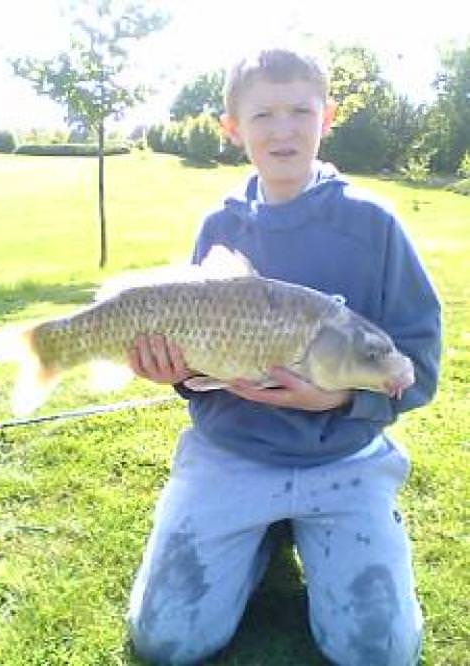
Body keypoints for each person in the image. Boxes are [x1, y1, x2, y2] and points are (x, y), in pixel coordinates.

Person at [126, 46, 441, 665]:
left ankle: (310, 529)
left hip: (342, 458)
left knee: (378, 654)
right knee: (166, 643)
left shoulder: (374, 225)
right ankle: (259, 539)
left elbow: (418, 365)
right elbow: (198, 365)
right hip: (232, 454)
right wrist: (176, 373)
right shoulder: (219, 227)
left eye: (301, 110)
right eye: (264, 114)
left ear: (327, 118)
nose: (284, 128)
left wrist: (343, 397)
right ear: (232, 128)